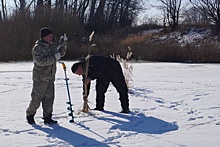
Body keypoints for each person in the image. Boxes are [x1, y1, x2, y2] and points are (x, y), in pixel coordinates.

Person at [26, 27, 67, 124]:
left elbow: (61, 53)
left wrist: (64, 43)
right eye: (49, 36)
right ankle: (30, 114)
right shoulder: (37, 48)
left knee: (49, 99)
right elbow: (40, 61)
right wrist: (54, 58)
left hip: (50, 77)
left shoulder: (51, 46)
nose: (51, 38)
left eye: (51, 36)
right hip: (40, 78)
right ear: (43, 37)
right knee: (37, 98)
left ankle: (47, 117)